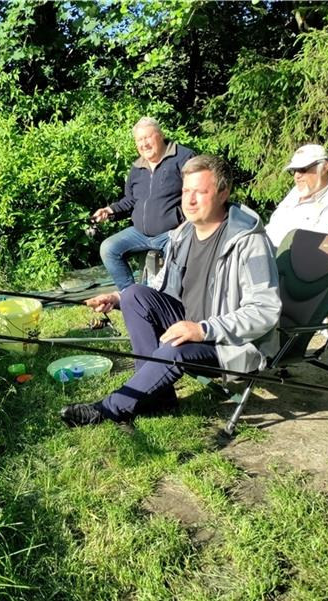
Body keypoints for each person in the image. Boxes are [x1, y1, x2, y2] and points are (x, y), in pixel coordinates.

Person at [61, 155, 282, 427]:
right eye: (185, 191)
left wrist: (202, 330)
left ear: (223, 193)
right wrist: (117, 298)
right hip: (187, 322)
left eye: (200, 192)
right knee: (133, 295)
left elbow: (265, 311)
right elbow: (160, 285)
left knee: (172, 349)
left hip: (226, 341)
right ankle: (159, 395)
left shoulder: (250, 242)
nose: (189, 200)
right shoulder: (183, 233)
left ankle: (107, 409)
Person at [92, 117, 195, 291]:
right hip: (140, 234)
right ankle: (130, 295)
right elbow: (130, 200)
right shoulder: (137, 167)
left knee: (173, 267)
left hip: (172, 233)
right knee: (108, 248)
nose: (144, 144)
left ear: (160, 135)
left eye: (148, 137)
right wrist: (108, 210)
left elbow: (196, 193)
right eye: (139, 140)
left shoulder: (184, 157)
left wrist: (186, 225)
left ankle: (165, 301)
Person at [264, 144, 328, 248]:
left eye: (303, 169)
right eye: (294, 171)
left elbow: (324, 251)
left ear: (324, 167)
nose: (297, 176)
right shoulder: (295, 192)